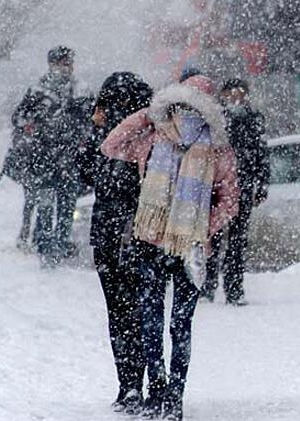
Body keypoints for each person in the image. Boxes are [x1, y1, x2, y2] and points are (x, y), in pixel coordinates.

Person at [101, 74, 239, 421]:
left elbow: (111, 144)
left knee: (154, 320)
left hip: (158, 243)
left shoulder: (156, 137)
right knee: (178, 324)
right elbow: (230, 201)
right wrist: (201, 228)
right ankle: (172, 395)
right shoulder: (213, 147)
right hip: (184, 247)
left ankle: (161, 391)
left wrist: (148, 114)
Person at [78, 72, 153, 414]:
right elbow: (84, 173)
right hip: (127, 234)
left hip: (126, 234)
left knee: (125, 313)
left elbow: (85, 174)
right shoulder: (144, 135)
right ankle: (135, 383)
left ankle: (132, 383)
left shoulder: (136, 138)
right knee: (132, 312)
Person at [8, 46, 82, 264]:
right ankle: (45, 245)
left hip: (68, 159)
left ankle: (60, 242)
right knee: (46, 204)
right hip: (43, 158)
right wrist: (33, 124)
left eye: (67, 63)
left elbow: (89, 121)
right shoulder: (38, 91)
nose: (64, 68)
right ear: (51, 65)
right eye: (60, 63)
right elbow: (19, 118)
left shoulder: (80, 90)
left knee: (67, 205)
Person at [201, 78, 268, 306]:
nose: (237, 99)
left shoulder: (253, 119)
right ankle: (208, 285)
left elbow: (261, 153)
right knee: (213, 237)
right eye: (232, 94)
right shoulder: (215, 119)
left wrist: (261, 184)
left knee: (238, 241)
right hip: (217, 187)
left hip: (243, 186)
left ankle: (234, 288)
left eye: (241, 94)